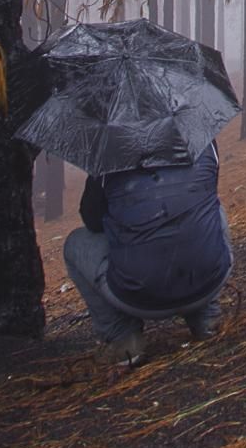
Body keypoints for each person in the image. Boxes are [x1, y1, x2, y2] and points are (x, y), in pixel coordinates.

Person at [63, 140, 233, 365]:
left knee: (75, 243)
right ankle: (207, 318)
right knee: (210, 209)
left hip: (138, 296)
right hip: (209, 282)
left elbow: (93, 222)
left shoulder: (108, 154)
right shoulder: (203, 140)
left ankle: (124, 341)